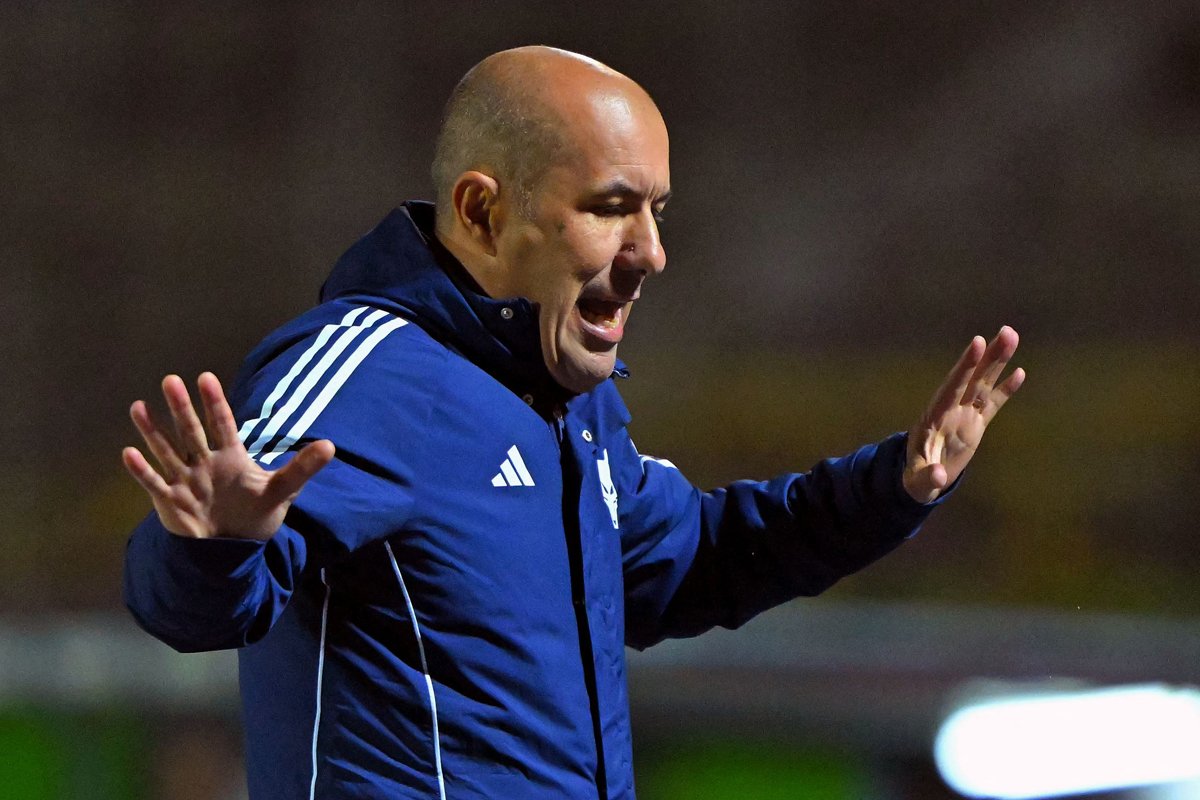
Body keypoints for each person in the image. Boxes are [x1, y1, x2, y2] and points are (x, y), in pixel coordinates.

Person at [122, 46, 1024, 800]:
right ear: (483, 209)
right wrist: (211, 545)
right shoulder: (368, 375)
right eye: (610, 208)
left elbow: (690, 563)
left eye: (657, 212)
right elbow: (196, 606)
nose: (652, 254)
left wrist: (893, 486)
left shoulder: (573, 404)